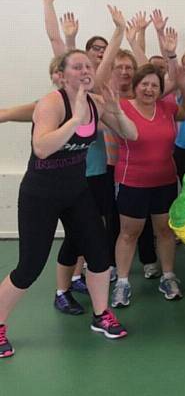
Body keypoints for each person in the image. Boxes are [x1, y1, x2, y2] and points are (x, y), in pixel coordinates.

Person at [0, 40, 139, 358]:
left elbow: (131, 134)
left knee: (99, 254)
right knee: (30, 267)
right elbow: (42, 148)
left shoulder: (97, 103)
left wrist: (115, 110)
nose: (86, 70)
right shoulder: (51, 103)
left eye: (89, 66)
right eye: (78, 66)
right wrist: (75, 120)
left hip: (76, 192)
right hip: (40, 194)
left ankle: (101, 315)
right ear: (61, 76)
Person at [111, 30, 185, 307]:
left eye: (154, 86)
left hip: (165, 181)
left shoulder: (167, 108)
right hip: (132, 181)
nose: (149, 89)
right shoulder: (122, 108)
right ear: (136, 86)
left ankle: (168, 275)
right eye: (144, 84)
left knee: (166, 231)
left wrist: (181, 86)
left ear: (160, 89)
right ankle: (122, 282)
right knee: (129, 233)